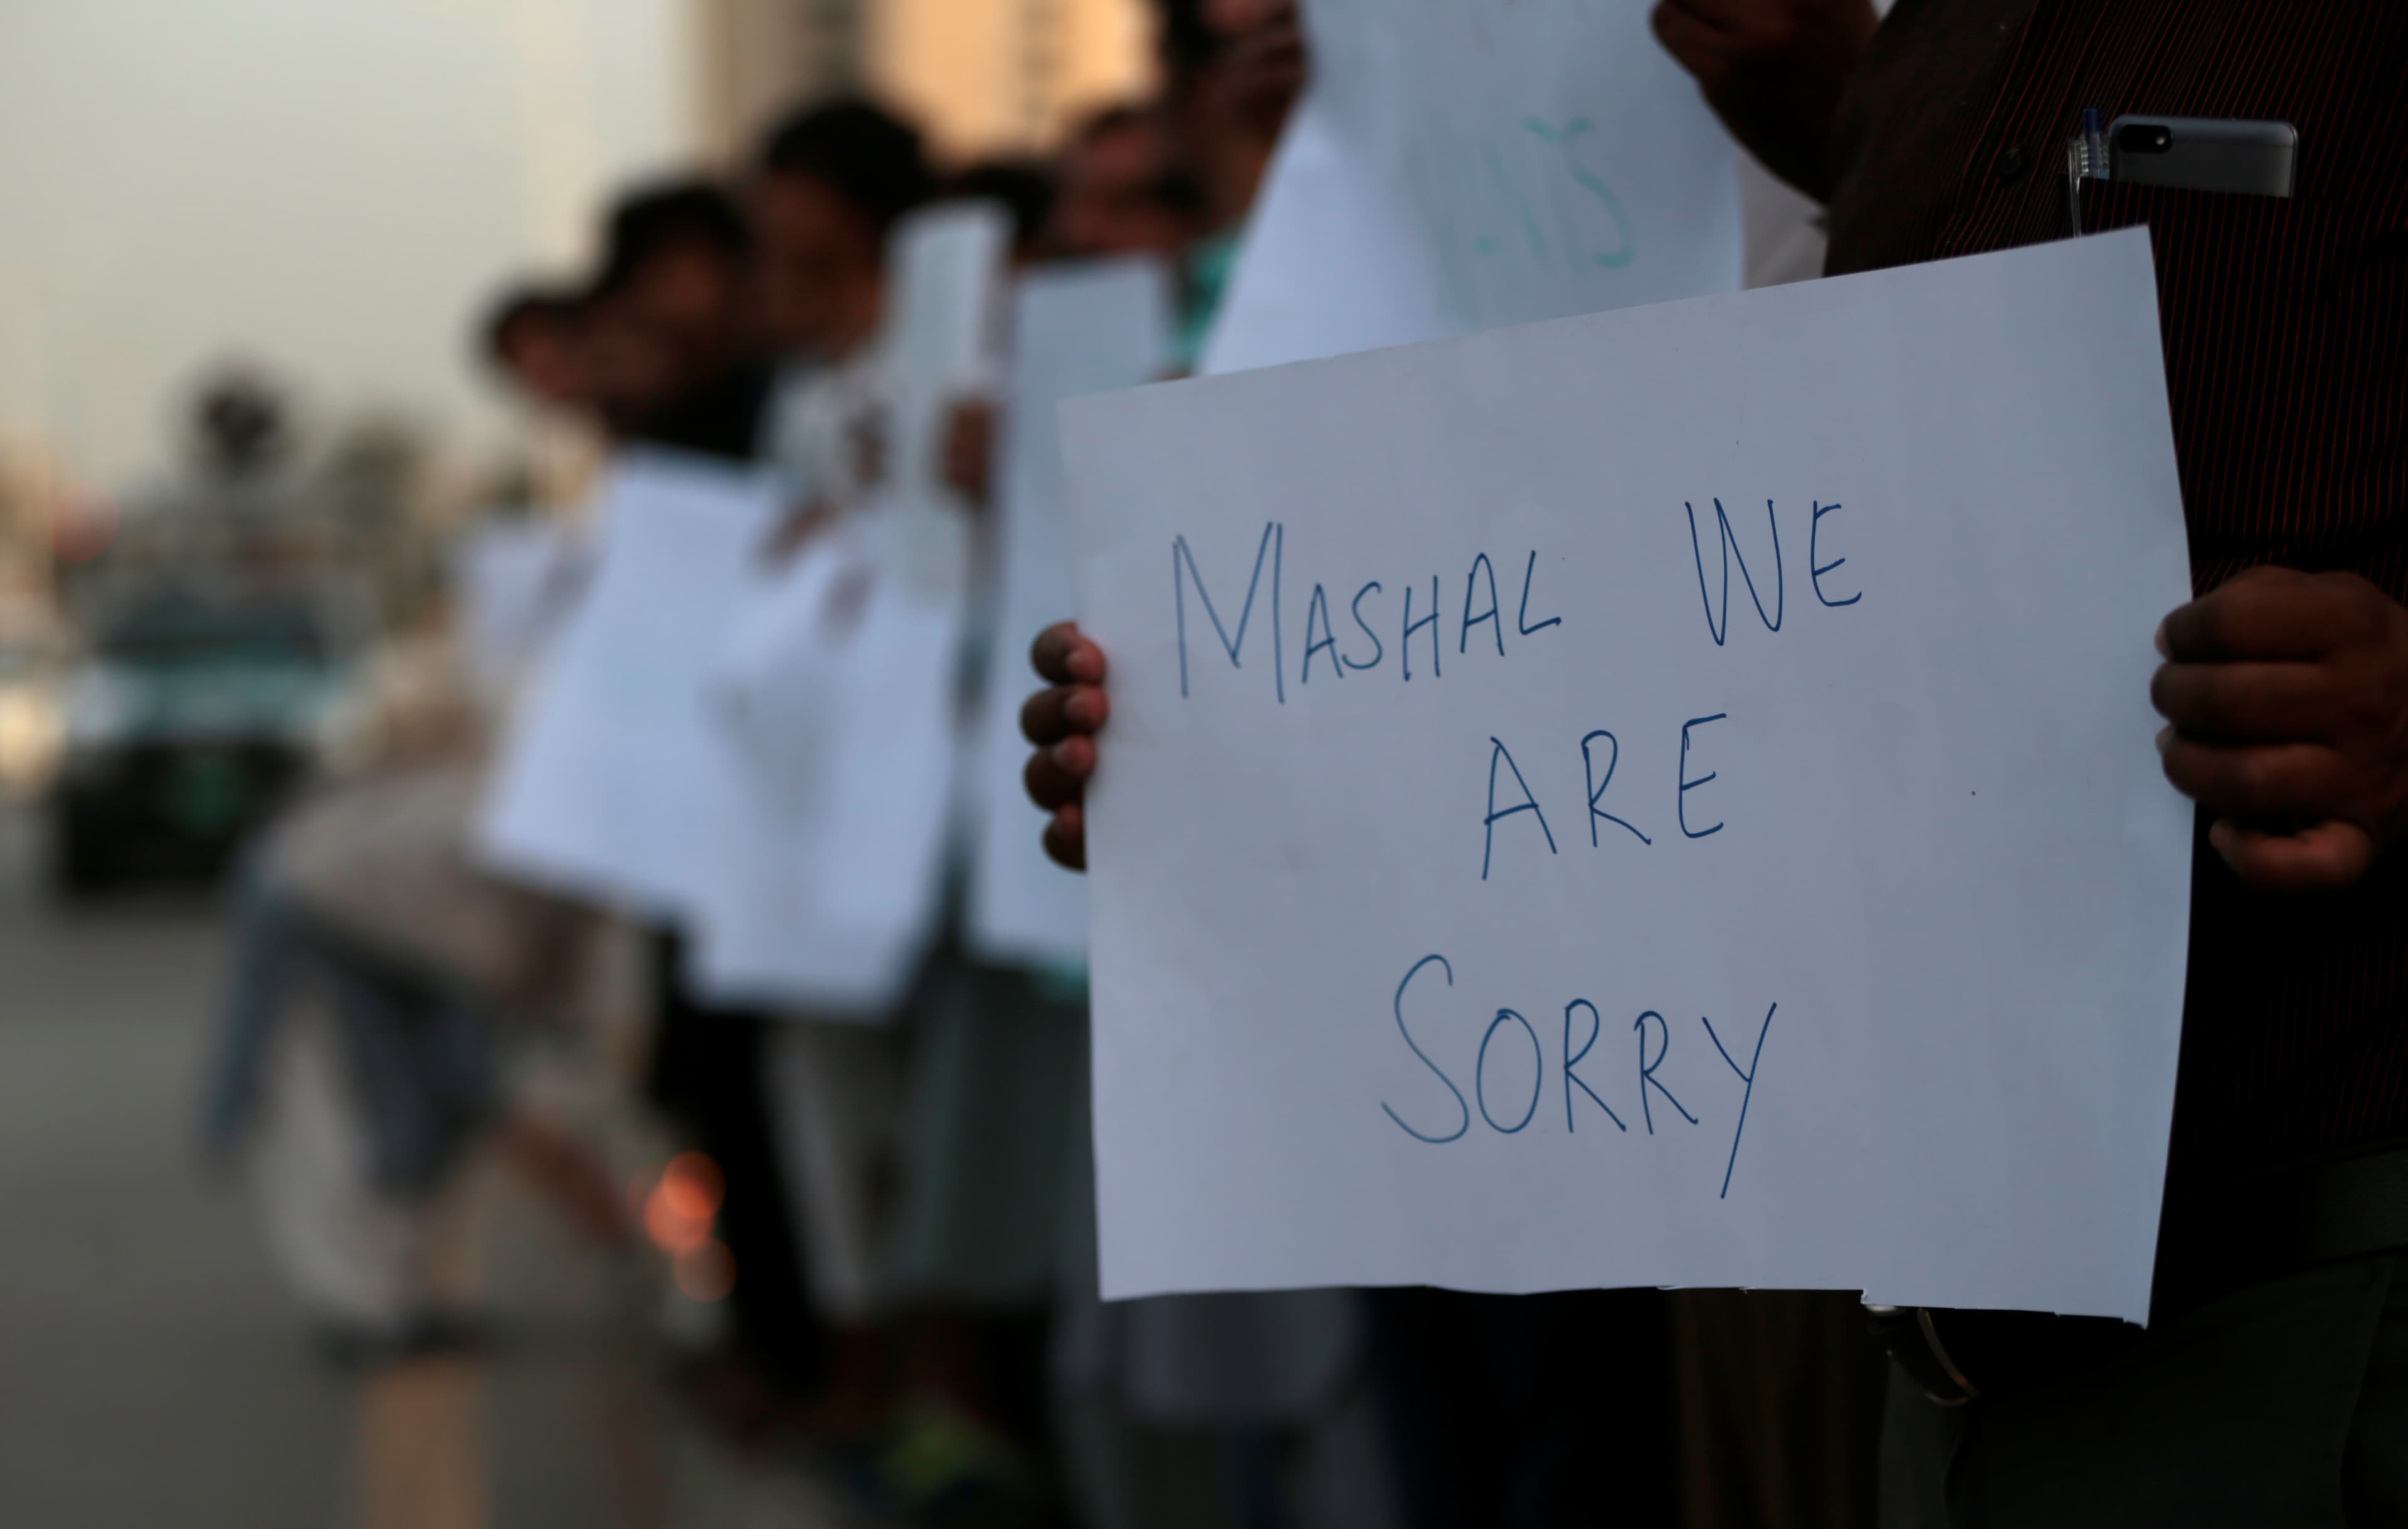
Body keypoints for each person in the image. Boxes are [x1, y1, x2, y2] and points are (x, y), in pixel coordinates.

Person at [1037, 0, 2408, 1522]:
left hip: (2309, 1268)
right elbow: (1804, 583)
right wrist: (1228, 759)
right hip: (1946, 1320)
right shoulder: (1920, 55)